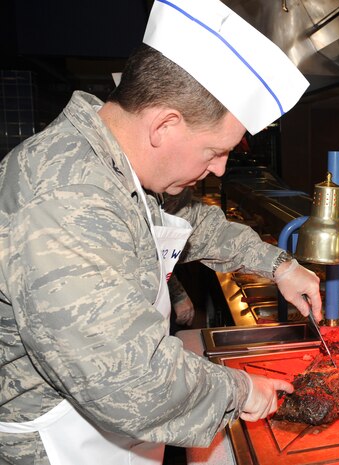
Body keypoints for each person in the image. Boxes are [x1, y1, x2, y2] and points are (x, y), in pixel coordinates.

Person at [0, 0, 321, 464]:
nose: (219, 169)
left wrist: (279, 265)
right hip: (51, 444)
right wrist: (241, 391)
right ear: (164, 125)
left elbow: (193, 222)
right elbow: (132, 381)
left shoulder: (114, 167)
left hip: (103, 432)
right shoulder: (64, 198)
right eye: (215, 151)